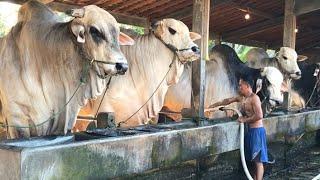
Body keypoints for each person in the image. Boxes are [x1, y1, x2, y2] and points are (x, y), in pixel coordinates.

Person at [208, 75, 269, 180]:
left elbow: (259, 115)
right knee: (252, 160)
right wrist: (212, 106)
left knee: (258, 161)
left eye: (241, 85)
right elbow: (227, 100)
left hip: (257, 132)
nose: (239, 87)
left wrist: (244, 120)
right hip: (250, 132)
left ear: (247, 86)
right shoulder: (241, 97)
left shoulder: (254, 98)